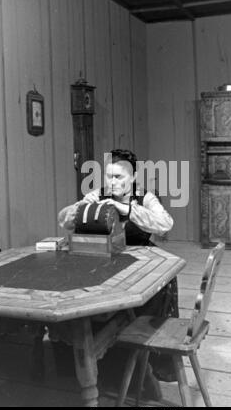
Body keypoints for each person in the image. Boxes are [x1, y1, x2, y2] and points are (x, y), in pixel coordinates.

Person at [57, 149, 179, 388]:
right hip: (107, 258)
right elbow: (64, 220)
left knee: (145, 301)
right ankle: (101, 368)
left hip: (141, 258)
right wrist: (82, 208)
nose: (112, 182)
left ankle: (143, 367)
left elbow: (165, 224)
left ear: (132, 178)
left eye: (119, 177)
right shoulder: (98, 194)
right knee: (91, 296)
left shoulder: (145, 197)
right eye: (109, 176)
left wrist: (126, 210)